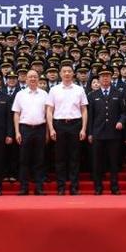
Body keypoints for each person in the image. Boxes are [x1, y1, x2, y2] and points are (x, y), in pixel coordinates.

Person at [46, 64, 89, 195]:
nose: (67, 73)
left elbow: (84, 110)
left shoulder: (79, 90)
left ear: (73, 73)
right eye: (64, 71)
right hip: (59, 124)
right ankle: (61, 186)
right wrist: (51, 128)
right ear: (60, 74)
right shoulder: (54, 90)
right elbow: (49, 110)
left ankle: (74, 186)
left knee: (74, 157)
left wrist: (83, 129)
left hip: (75, 124)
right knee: (60, 158)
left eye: (69, 71)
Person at [87, 64, 125, 195]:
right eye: (102, 76)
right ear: (99, 78)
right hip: (98, 133)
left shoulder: (118, 93)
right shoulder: (92, 95)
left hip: (114, 134)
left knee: (114, 162)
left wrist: (121, 121)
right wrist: (90, 133)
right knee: (97, 162)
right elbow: (90, 116)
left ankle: (114, 187)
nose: (105, 78)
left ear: (111, 77)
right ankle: (98, 187)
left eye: (107, 76)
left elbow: (124, 113)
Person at [12, 70, 49, 195]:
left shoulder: (44, 94)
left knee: (40, 160)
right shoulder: (20, 94)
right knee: (24, 160)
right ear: (26, 80)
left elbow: (48, 114)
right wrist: (17, 132)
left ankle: (39, 187)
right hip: (25, 129)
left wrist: (47, 132)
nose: (32, 79)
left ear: (38, 79)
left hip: (40, 128)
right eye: (30, 77)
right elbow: (16, 114)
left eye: (35, 77)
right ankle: (24, 187)